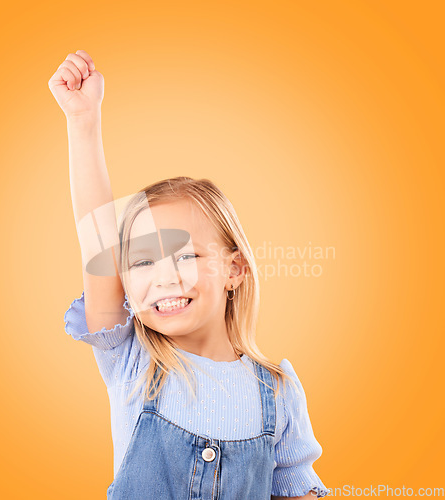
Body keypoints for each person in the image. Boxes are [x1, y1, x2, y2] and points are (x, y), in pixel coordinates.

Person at [49, 50, 331, 500]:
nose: (163, 278)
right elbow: (98, 239)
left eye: (184, 256)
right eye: (142, 262)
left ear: (234, 269)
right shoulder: (132, 363)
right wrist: (82, 120)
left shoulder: (278, 392)